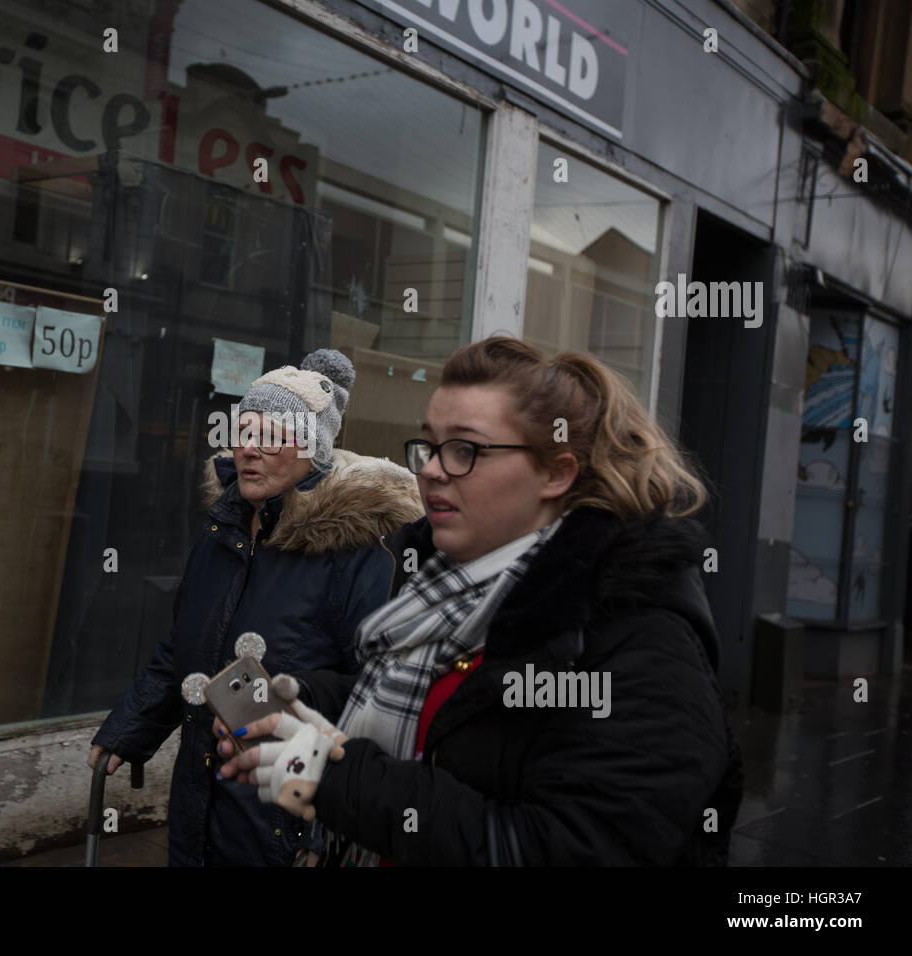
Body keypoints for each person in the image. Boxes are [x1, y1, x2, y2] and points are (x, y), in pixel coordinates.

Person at [218, 336, 744, 866]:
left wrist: (332, 779)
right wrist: (310, 698)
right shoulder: (446, 578)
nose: (430, 470)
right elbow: (448, 706)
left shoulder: (643, 641)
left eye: (465, 450)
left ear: (557, 472)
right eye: (429, 446)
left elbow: (563, 848)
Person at [88, 349, 423, 866]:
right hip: (200, 802)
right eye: (244, 431)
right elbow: (186, 648)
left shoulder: (353, 552)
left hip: (282, 823)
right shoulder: (223, 534)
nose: (249, 448)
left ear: (314, 447)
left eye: (272, 436)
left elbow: (370, 699)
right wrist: (130, 729)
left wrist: (319, 832)